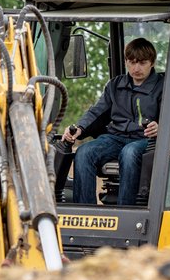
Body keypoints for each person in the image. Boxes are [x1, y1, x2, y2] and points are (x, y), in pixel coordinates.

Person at [63, 37, 164, 205]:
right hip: (116, 138)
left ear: (152, 63)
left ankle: (125, 212)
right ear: (126, 62)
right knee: (84, 152)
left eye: (142, 63)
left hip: (146, 140)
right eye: (132, 62)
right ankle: (87, 211)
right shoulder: (115, 85)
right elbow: (97, 112)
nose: (136, 68)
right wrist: (80, 128)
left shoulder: (163, 86)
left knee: (129, 153)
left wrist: (160, 127)